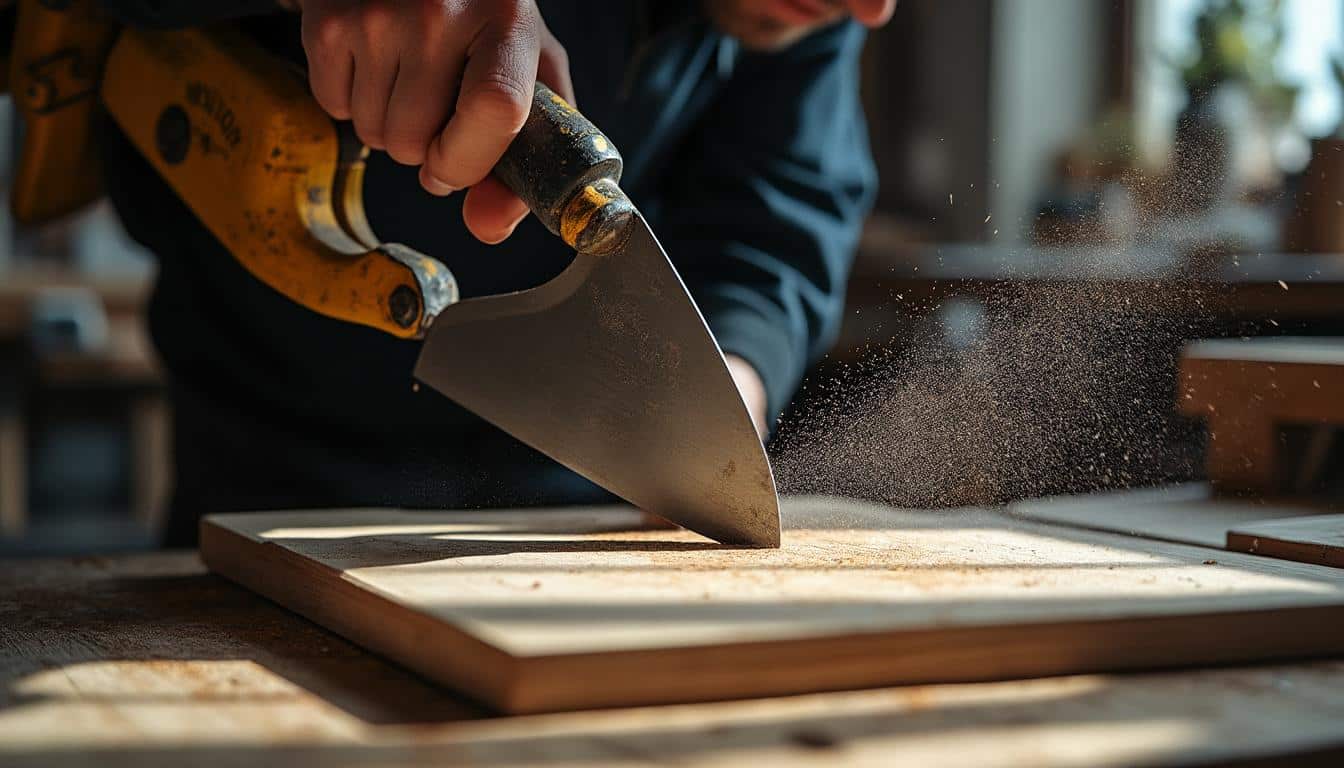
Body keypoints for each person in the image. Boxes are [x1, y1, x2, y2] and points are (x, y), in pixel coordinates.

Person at [96, 0, 893, 545]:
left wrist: (722, 392)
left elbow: (774, 213)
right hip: (269, 483)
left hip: (587, 510)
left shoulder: (801, 11)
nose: (873, 9)